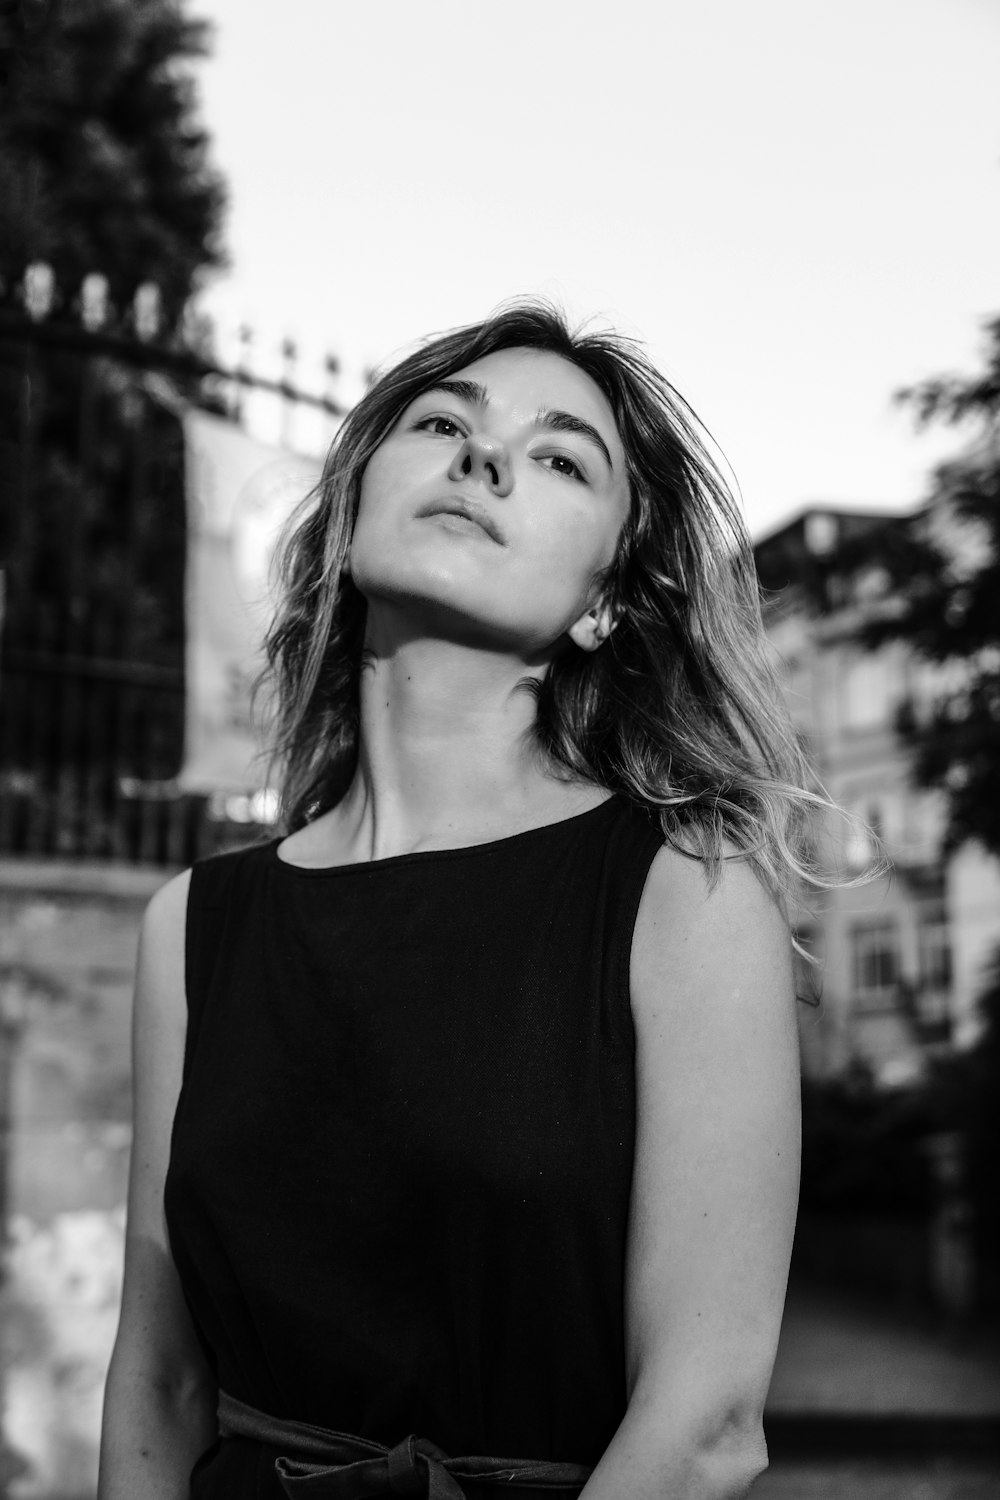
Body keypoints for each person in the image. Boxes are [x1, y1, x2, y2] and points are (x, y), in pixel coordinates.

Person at [98, 300, 819, 1500]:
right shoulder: (192, 926)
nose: (481, 458)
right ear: (351, 514)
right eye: (442, 422)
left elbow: (704, 1423)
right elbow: (161, 1377)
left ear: (603, 603)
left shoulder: (679, 894)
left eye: (557, 458)